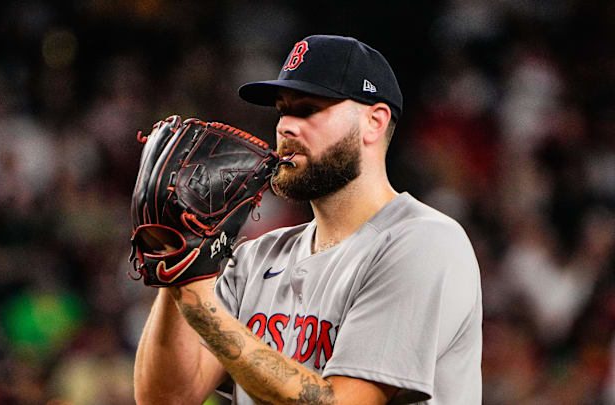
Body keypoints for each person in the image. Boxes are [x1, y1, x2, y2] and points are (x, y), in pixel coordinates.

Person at [133, 35, 482, 405]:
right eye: (282, 110)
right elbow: (167, 399)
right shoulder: (256, 259)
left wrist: (200, 302)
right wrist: (180, 267)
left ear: (374, 122)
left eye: (308, 109)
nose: (285, 126)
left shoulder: (424, 242)